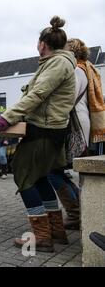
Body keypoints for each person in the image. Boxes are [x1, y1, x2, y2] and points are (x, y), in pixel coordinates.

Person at [0, 16, 76, 253]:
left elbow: (37, 94)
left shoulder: (58, 63)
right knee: (39, 178)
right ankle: (56, 231)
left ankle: (42, 236)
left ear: (42, 44)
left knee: (24, 177)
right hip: (48, 130)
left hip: (44, 131)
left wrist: (7, 117)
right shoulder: (55, 62)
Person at [47, 38, 105, 230]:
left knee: (53, 171)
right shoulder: (89, 69)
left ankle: (76, 214)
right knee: (64, 170)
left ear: (71, 52)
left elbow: (67, 99)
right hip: (81, 123)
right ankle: (79, 212)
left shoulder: (77, 70)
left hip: (74, 126)